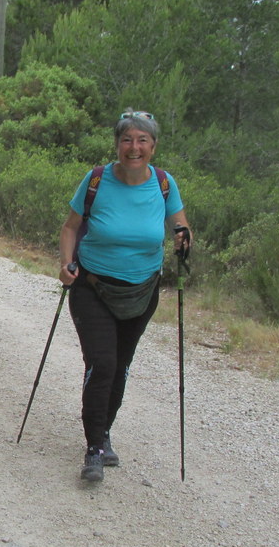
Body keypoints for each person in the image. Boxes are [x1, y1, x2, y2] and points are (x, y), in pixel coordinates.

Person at [58, 111, 192, 483]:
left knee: (121, 366)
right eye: (127, 140)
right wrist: (66, 263)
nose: (134, 148)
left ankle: (102, 432)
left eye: (142, 140)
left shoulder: (164, 184)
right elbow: (70, 227)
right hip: (92, 286)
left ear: (153, 146)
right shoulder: (97, 180)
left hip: (142, 290)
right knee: (101, 363)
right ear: (117, 144)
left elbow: (180, 224)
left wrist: (183, 237)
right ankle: (94, 449)